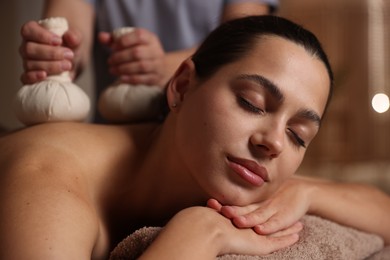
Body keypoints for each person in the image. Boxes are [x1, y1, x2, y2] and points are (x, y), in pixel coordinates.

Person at [2, 15, 389, 259]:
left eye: (298, 135)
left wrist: (307, 192)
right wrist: (197, 235)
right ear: (183, 86)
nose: (273, 141)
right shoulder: (48, 182)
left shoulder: (242, 165)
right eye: (251, 103)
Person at [19, 0, 278, 121]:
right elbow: (71, 28)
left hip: (202, 133)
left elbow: (245, 41)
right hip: (114, 134)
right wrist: (57, 54)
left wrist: (166, 67)